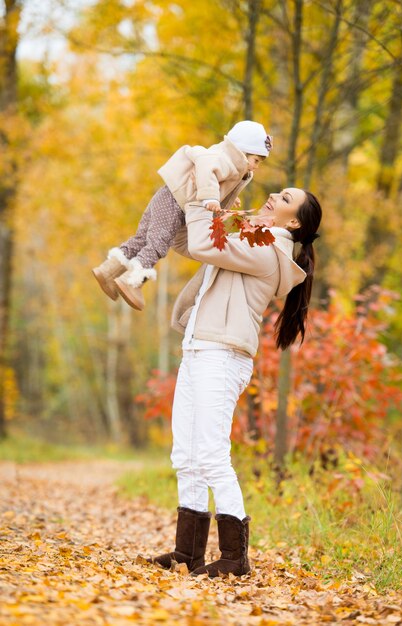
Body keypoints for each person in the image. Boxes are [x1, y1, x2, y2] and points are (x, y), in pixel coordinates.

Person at [145, 187, 322, 578]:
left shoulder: (268, 251)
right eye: (278, 190)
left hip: (222, 355)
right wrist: (193, 201)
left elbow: (206, 244)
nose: (275, 194)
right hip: (199, 349)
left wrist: (204, 199)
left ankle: (234, 556)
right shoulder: (248, 238)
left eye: (286, 197)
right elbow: (188, 241)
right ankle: (187, 552)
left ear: (293, 222)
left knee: (210, 454)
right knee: (187, 455)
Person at [92, 121, 273, 311]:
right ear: (242, 153)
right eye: (256, 161)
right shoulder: (224, 159)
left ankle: (108, 271)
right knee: (158, 242)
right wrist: (211, 196)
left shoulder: (227, 160)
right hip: (175, 202)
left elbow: (214, 179)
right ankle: (132, 282)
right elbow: (206, 168)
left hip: (168, 196)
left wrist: (225, 197)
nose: (257, 167)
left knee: (143, 238)